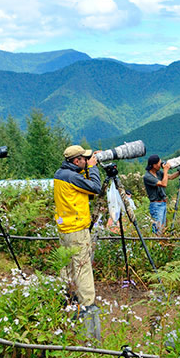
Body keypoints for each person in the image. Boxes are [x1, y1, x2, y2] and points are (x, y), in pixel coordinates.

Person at [54, 144, 103, 340]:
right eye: (84, 159)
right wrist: (94, 168)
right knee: (83, 267)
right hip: (76, 230)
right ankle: (88, 306)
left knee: (68, 267)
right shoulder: (74, 177)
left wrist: (88, 167)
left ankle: (65, 298)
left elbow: (86, 193)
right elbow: (96, 189)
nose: (86, 161)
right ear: (77, 161)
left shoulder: (62, 174)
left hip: (64, 228)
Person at [143, 154, 180, 235]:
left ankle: (160, 245)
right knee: (158, 230)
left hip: (163, 203)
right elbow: (164, 184)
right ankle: (156, 246)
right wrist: (166, 170)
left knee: (162, 229)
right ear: (154, 165)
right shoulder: (147, 176)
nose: (161, 165)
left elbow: (169, 177)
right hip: (156, 205)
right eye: (159, 163)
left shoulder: (158, 173)